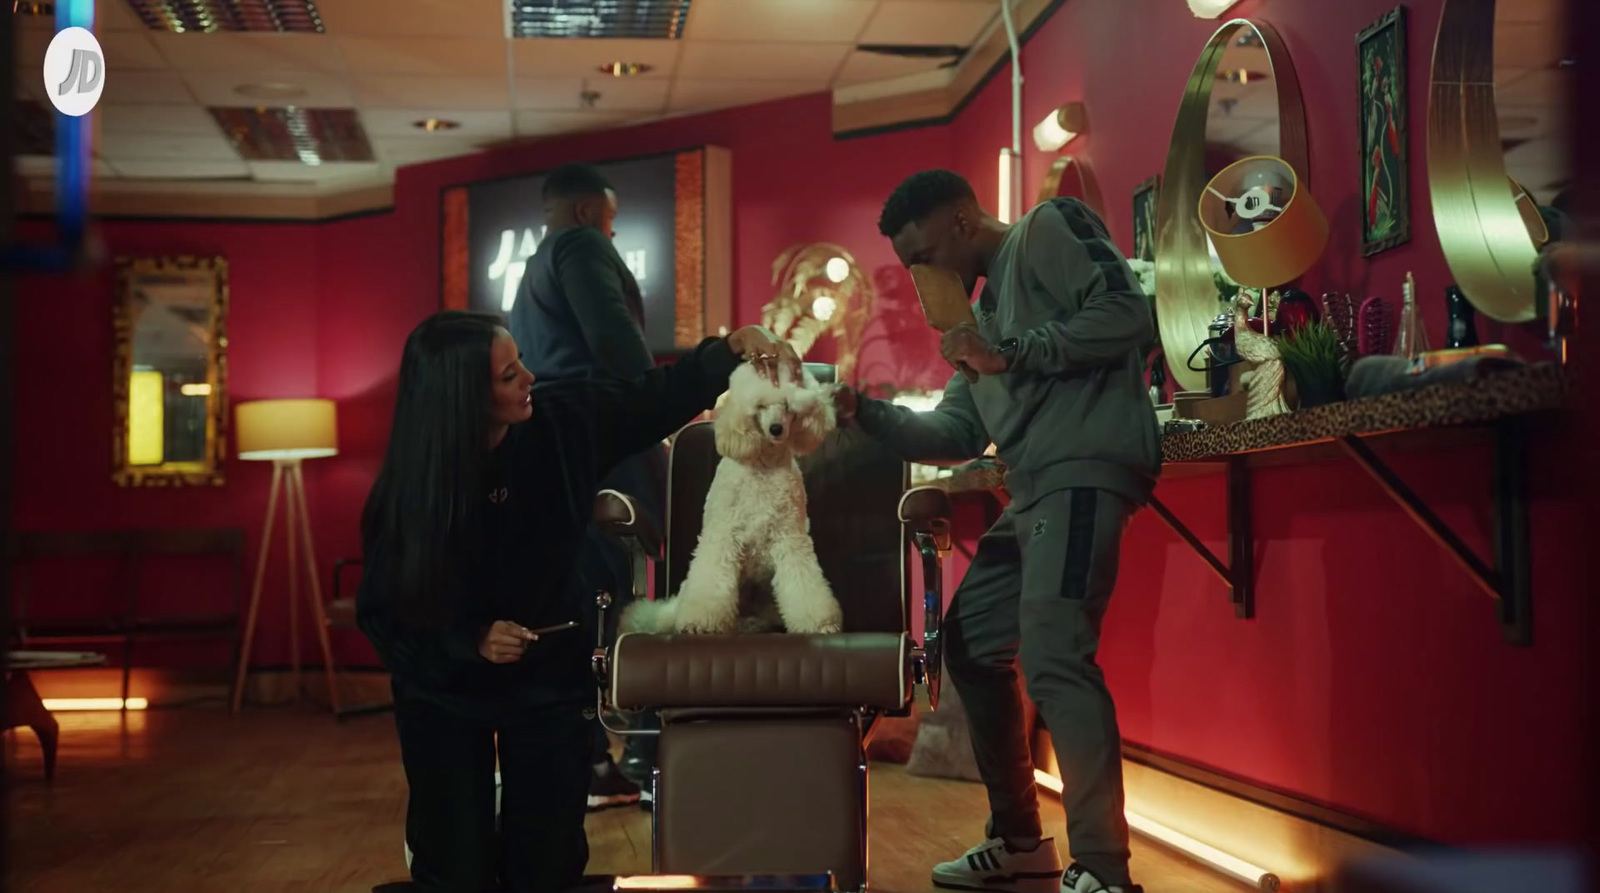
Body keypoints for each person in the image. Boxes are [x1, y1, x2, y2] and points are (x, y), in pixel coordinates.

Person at [357, 310, 797, 893]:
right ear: (464, 397)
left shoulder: (560, 421)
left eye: (520, 363)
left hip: (548, 670)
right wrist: (469, 639)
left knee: (545, 867)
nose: (529, 378)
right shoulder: (411, 487)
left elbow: (651, 398)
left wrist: (728, 351)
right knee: (454, 868)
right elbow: (384, 615)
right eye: (509, 374)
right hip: (443, 686)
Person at [834, 170, 1158, 893]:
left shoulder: (1050, 226)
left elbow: (1129, 314)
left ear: (961, 219)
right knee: (973, 646)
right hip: (1035, 487)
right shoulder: (972, 320)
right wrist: (866, 413)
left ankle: (1105, 872)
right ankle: (1018, 839)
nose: (921, 276)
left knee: (1054, 657)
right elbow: (957, 429)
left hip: (1084, 466)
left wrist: (1011, 353)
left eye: (921, 254)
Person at [508, 162, 665, 809]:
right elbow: (613, 336)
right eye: (610, 217)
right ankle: (626, 750)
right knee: (623, 592)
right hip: (604, 435)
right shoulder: (578, 245)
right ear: (584, 214)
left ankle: (595, 757)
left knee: (585, 594)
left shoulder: (535, 268)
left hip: (561, 442)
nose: (612, 228)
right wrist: (660, 402)